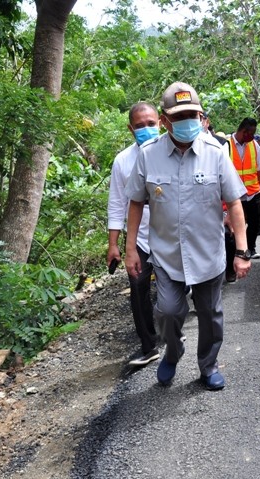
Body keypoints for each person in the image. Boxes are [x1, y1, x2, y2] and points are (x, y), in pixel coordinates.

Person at [124, 81, 252, 391]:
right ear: (166, 121)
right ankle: (173, 352)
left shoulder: (215, 153)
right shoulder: (148, 155)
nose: (188, 122)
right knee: (168, 311)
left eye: (193, 114)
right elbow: (136, 203)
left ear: (200, 115)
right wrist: (130, 249)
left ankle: (208, 366)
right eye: (179, 117)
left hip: (207, 254)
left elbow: (234, 203)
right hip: (167, 255)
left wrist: (242, 251)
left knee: (210, 316)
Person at [107, 102, 162, 367]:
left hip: (169, 235)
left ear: (160, 122)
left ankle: (173, 332)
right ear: (130, 129)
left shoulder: (173, 152)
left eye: (151, 124)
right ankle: (149, 345)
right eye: (139, 126)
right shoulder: (123, 161)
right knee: (138, 288)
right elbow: (117, 203)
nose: (146, 130)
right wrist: (114, 244)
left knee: (171, 287)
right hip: (138, 238)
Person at [227, 118, 260, 260]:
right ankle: (236, 252)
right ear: (244, 132)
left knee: (255, 222)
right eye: (252, 133)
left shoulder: (254, 145)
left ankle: (251, 248)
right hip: (234, 195)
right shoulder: (227, 144)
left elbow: (259, 168)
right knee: (236, 225)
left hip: (252, 193)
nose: (253, 137)